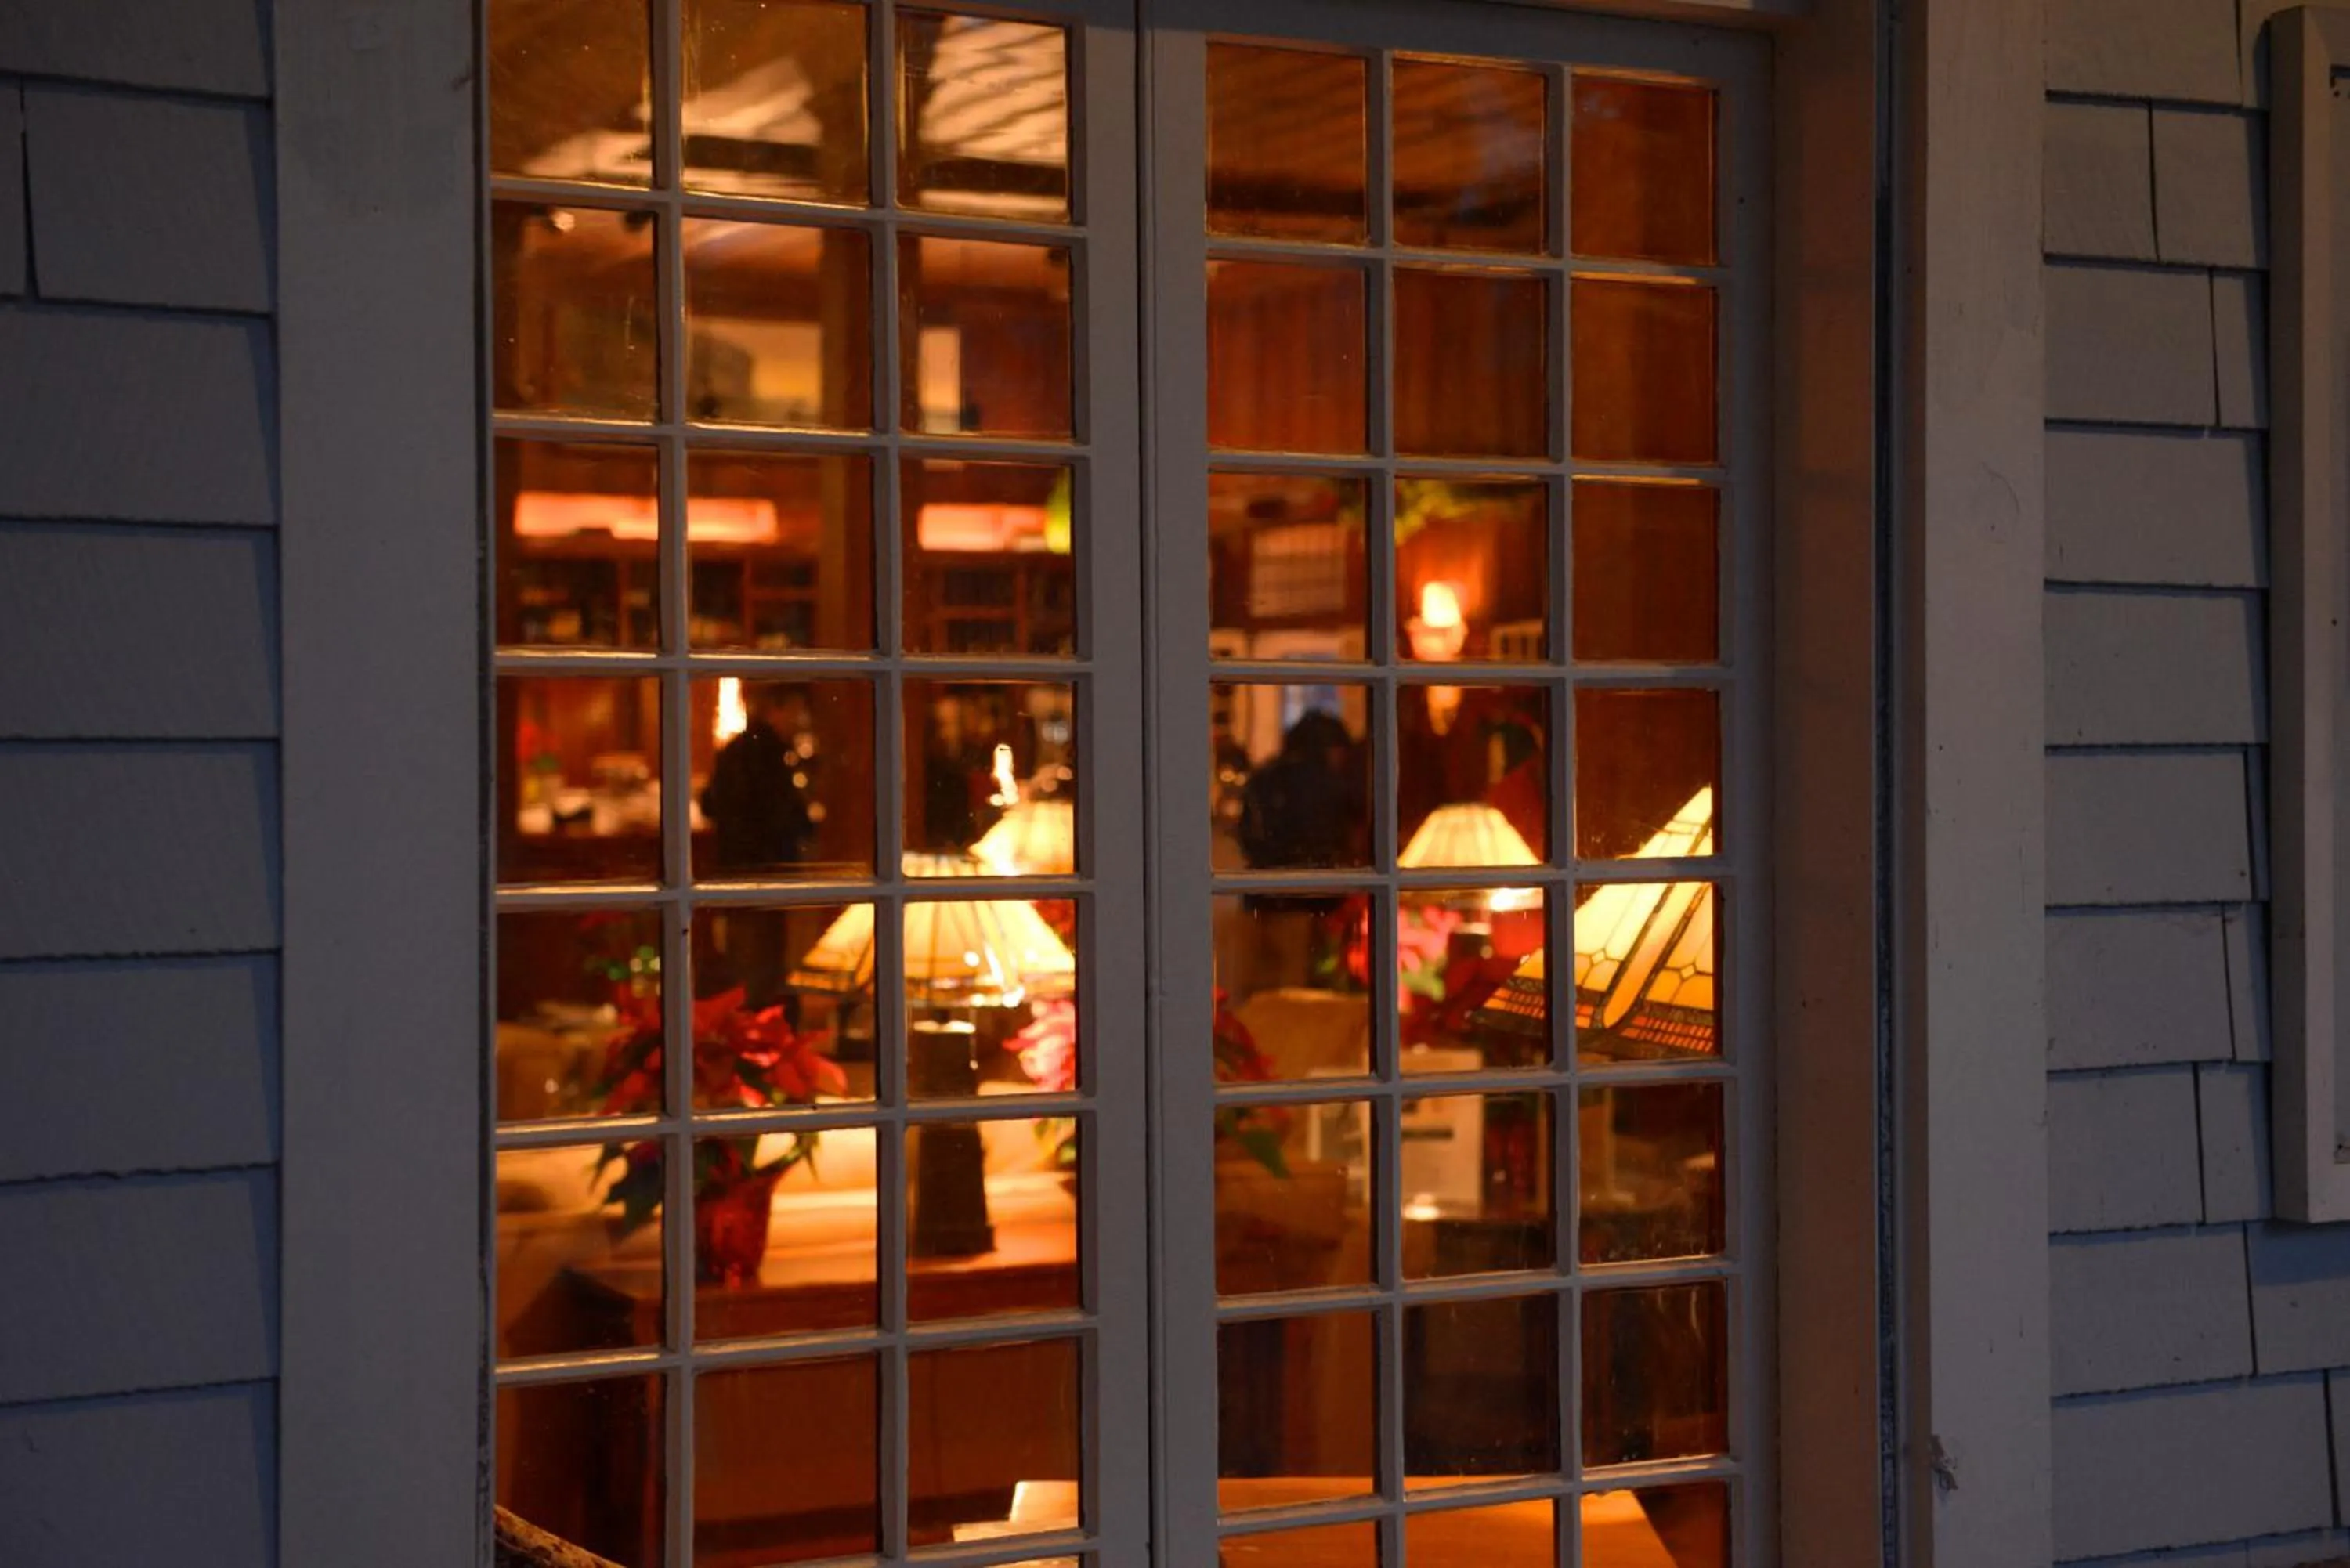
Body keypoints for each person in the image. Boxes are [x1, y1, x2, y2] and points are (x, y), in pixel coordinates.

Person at [700, 683, 819, 1007]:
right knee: (761, 967)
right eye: (795, 711)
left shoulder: (737, 750)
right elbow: (782, 815)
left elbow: (709, 804)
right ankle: (759, 1041)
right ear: (775, 709)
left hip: (738, 871)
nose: (799, 719)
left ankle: (750, 1036)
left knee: (749, 963)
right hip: (763, 872)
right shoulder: (767, 753)